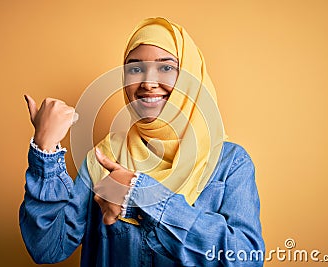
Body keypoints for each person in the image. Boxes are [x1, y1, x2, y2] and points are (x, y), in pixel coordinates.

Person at [20, 17, 265, 267]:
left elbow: (246, 259)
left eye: (166, 68)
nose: (148, 83)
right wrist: (45, 148)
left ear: (191, 77)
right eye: (135, 69)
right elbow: (47, 249)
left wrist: (141, 194)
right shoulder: (104, 158)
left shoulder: (229, 163)